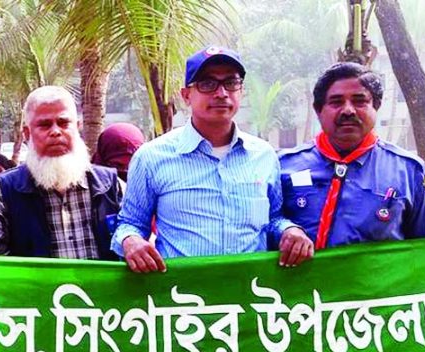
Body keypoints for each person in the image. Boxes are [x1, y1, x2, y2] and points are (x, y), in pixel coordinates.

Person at [112, 46, 308, 273]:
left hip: (252, 295)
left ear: (241, 91)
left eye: (231, 83)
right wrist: (130, 241)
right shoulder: (151, 158)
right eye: (207, 84)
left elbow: (273, 219)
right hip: (182, 299)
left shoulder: (264, 156)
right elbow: (130, 224)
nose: (222, 93)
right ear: (186, 95)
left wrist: (290, 230)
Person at [279, 62, 425, 250]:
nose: (348, 110)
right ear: (318, 110)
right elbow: (260, 226)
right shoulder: (283, 166)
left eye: (360, 101)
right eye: (336, 102)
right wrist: (286, 228)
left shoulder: (411, 172)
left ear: (376, 106)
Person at [0, 86, 123, 260]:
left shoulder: (111, 186)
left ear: (78, 128)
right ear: (27, 133)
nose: (55, 131)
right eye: (44, 125)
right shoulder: (2, 192)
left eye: (63, 123)